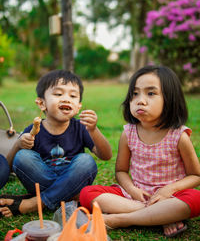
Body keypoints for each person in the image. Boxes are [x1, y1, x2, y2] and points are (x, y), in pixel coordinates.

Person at [79, 65, 200, 238]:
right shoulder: (128, 133)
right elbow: (121, 171)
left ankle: (120, 220)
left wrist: (168, 191)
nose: (140, 100)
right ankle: (161, 216)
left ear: (170, 99)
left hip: (171, 196)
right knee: (87, 194)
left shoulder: (179, 136)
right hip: (134, 196)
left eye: (151, 93)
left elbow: (196, 175)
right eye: (135, 94)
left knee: (197, 199)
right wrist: (132, 190)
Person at [0, 69, 112, 217]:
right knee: (22, 156)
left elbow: (106, 155)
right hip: (45, 180)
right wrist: (18, 145)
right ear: (41, 103)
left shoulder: (81, 128)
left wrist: (94, 130)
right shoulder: (34, 129)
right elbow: (7, 168)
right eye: (58, 94)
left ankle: (34, 203)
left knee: (86, 161)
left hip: (73, 178)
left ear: (78, 106)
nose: (66, 99)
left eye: (72, 96)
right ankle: (67, 197)